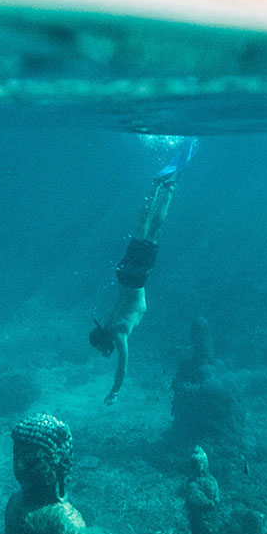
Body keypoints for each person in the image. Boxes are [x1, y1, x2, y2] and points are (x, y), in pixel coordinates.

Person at [90, 139, 195, 402]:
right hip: (124, 274)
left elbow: (122, 368)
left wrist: (114, 392)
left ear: (107, 342)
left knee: (154, 231)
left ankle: (168, 188)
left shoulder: (119, 333)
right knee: (141, 230)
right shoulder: (109, 322)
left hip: (137, 278)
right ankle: (155, 186)